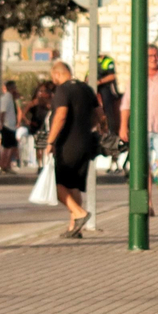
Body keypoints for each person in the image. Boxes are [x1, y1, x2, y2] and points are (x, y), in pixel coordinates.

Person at [119, 45, 158, 212]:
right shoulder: (136, 76)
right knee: (143, 166)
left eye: (156, 55)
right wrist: (123, 126)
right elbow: (126, 103)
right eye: (150, 56)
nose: (154, 59)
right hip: (141, 130)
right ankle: (147, 203)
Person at [44, 61, 101, 238]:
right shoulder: (86, 89)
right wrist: (85, 127)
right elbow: (99, 114)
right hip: (86, 142)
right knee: (73, 185)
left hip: (67, 144)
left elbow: (60, 116)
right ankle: (74, 228)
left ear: (57, 75)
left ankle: (79, 213)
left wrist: (50, 142)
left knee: (55, 184)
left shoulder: (63, 90)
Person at [0, 80, 20, 174]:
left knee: (12, 146)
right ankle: (2, 165)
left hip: (11, 125)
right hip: (7, 125)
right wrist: (1, 123)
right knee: (7, 147)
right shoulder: (6, 98)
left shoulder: (11, 98)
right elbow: (2, 112)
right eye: (14, 88)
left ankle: (7, 165)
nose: (15, 89)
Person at [96, 53, 121, 126]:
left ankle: (111, 129)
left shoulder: (108, 61)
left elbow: (112, 76)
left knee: (107, 104)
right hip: (95, 86)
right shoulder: (94, 61)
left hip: (106, 86)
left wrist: (99, 81)